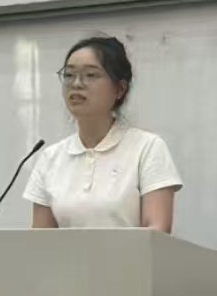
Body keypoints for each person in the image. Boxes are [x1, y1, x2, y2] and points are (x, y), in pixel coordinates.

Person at [23, 35, 182, 233]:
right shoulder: (50, 158)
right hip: (68, 256)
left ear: (120, 89)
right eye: (69, 75)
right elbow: (40, 241)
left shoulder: (147, 148)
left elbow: (157, 232)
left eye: (91, 75)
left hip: (130, 255)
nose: (77, 84)